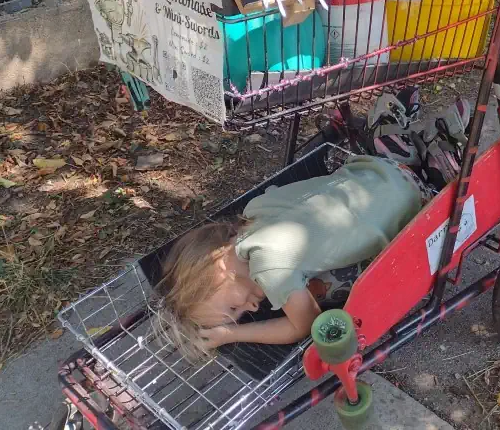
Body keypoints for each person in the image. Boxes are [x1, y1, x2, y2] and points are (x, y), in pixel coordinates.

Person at [156, 153, 437, 358]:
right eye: (239, 316)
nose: (250, 309)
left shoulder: (269, 268)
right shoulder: (255, 209)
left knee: (321, 292)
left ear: (216, 269)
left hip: (413, 205)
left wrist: (232, 333)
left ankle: (434, 169)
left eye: (233, 308)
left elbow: (305, 326)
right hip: (378, 168)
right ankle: (404, 146)